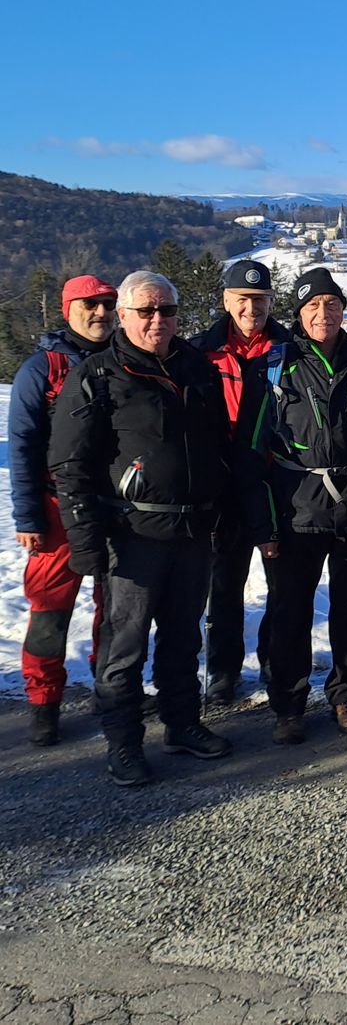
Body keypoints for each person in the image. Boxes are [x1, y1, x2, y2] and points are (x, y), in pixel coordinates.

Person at [49, 270, 233, 787]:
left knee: (182, 637)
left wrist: (225, 509)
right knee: (124, 647)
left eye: (167, 311)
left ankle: (182, 723)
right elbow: (70, 464)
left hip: (193, 529)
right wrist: (85, 541)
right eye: (146, 311)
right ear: (123, 316)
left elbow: (219, 444)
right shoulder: (98, 375)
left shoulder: (197, 367)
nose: (158, 320)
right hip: (131, 535)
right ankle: (124, 742)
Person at [241, 267, 347, 744]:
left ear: (344, 310)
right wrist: (263, 525)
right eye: (313, 306)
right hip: (295, 510)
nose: (324, 313)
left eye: (332, 304)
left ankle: (346, 695)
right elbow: (252, 451)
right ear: (299, 314)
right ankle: (289, 705)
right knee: (290, 611)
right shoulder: (274, 366)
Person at [9, 274, 116, 745]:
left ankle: (110, 687)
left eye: (107, 305)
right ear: (67, 309)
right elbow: (22, 445)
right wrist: (28, 516)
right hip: (57, 507)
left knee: (115, 607)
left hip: (115, 503)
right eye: (89, 305)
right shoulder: (42, 368)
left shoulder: (124, 358)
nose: (100, 314)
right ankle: (43, 699)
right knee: (50, 608)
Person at [189, 259, 291, 705]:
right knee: (225, 584)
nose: (253, 308)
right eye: (244, 299)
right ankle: (223, 669)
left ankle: (274, 660)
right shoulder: (200, 352)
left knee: (281, 585)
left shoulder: (289, 349)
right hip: (223, 486)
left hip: (275, 484)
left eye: (261, 299)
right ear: (227, 301)